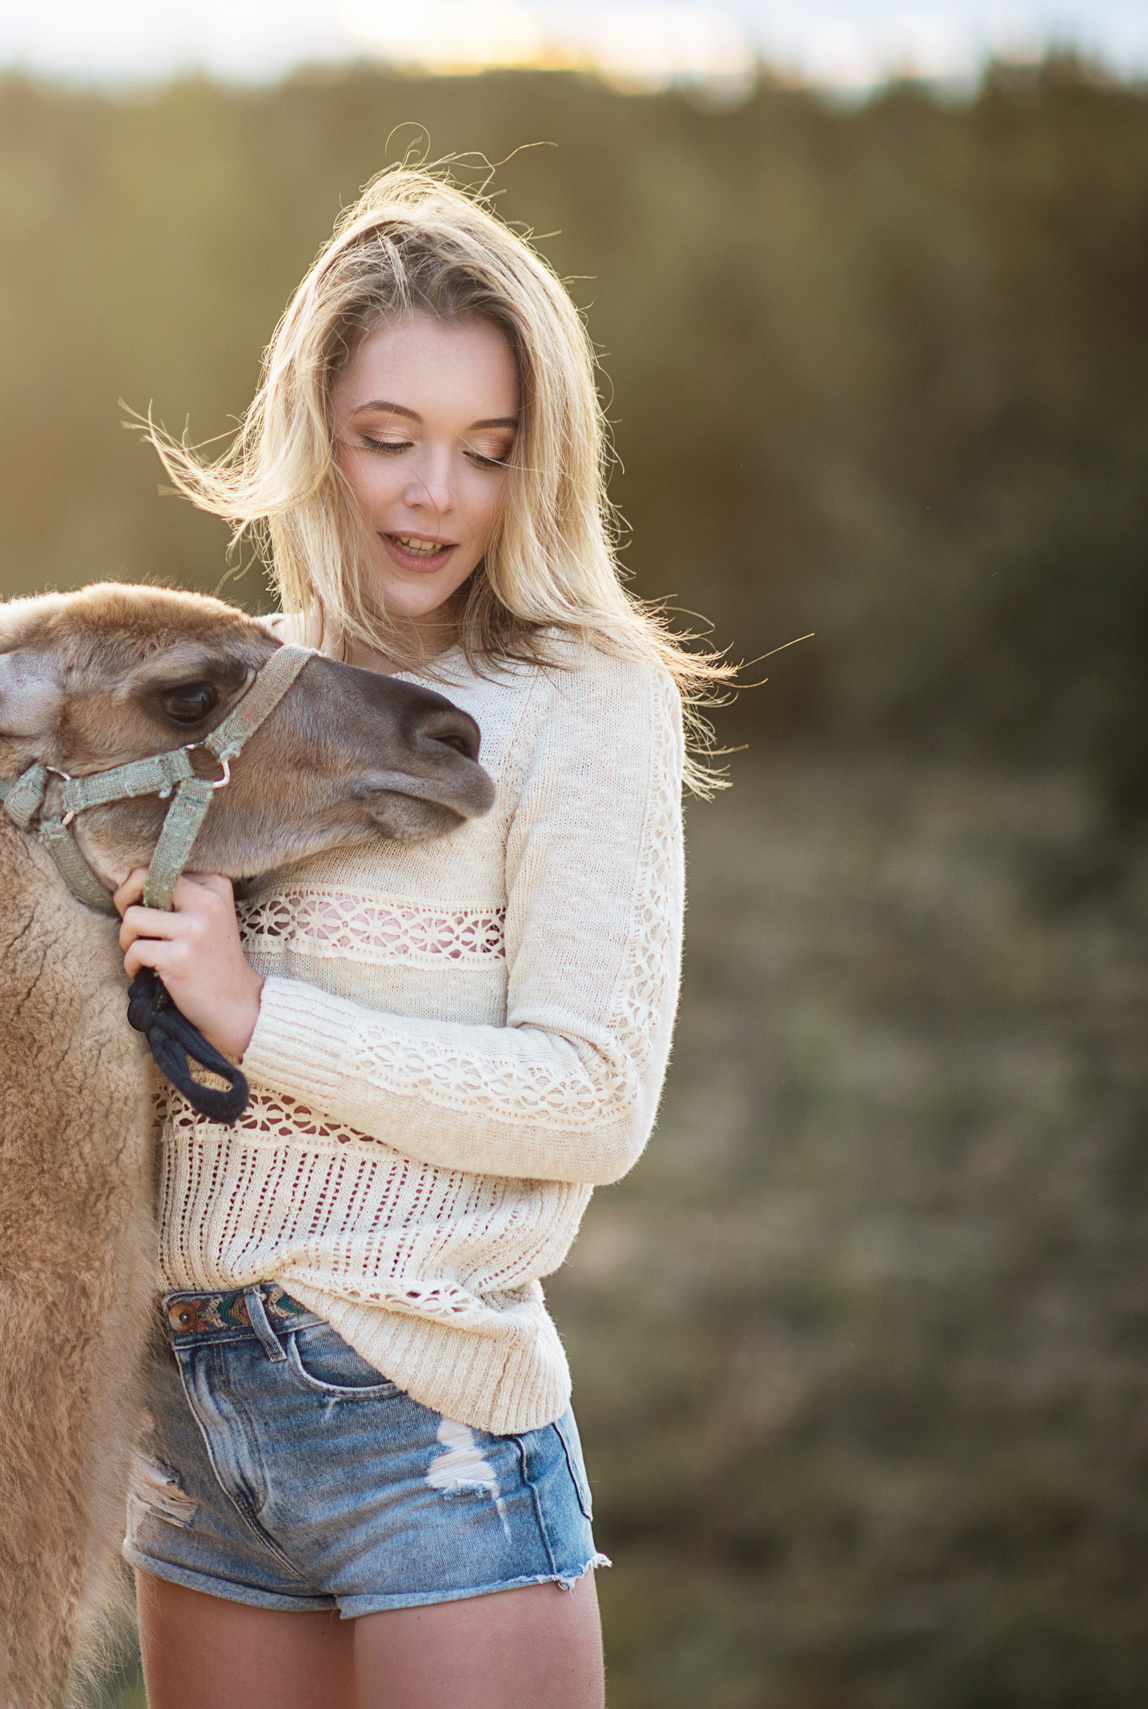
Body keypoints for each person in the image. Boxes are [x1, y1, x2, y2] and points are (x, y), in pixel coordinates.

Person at [108, 166, 730, 1708]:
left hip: (424, 1421)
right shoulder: (240, 691)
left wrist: (263, 1016)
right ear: (317, 430)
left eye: (484, 452)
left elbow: (594, 1098)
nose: (430, 494)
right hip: (193, 1415)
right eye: (388, 441)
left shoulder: (583, 703)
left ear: (541, 465)